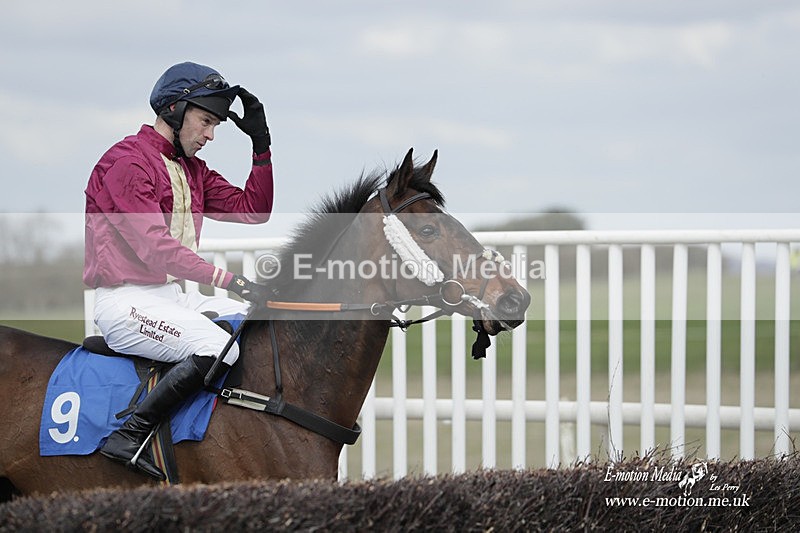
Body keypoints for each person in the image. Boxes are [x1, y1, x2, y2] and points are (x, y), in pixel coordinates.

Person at [84, 61, 274, 479]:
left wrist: (261, 145)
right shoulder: (127, 164)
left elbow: (253, 211)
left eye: (215, 126)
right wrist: (229, 279)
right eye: (206, 121)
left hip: (171, 298)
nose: (209, 135)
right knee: (220, 347)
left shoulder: (193, 171)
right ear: (174, 109)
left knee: (250, 325)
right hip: (126, 302)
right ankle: (130, 436)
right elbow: (154, 250)